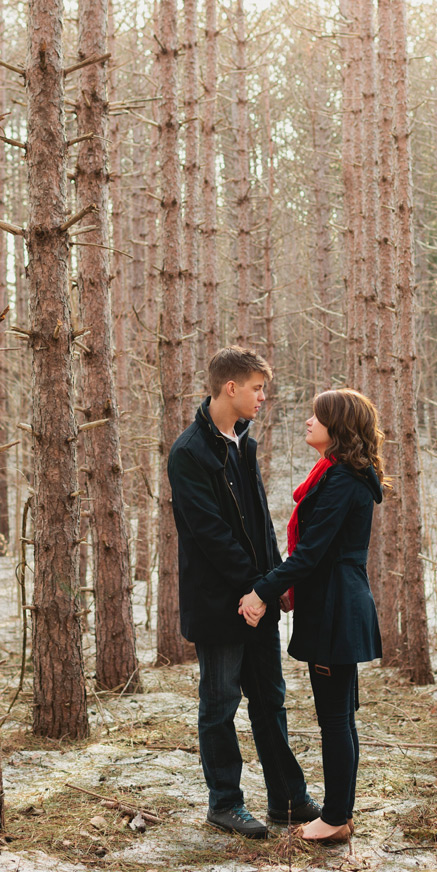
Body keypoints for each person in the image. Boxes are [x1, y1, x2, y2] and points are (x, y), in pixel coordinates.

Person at [167, 346, 319, 839]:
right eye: (256, 388)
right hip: (220, 605)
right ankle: (225, 803)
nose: (262, 397)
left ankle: (288, 800)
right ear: (229, 387)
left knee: (270, 700)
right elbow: (210, 536)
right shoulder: (190, 452)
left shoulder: (243, 444)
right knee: (220, 704)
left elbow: (259, 526)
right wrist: (254, 589)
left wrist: (276, 582)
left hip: (258, 599)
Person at [239, 389, 384, 844]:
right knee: (340, 715)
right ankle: (340, 813)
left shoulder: (342, 480)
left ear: (336, 427)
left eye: (316, 417)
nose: (307, 422)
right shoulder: (338, 474)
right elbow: (314, 554)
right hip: (335, 601)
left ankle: (336, 817)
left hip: (336, 609)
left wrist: (264, 591)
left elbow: (312, 552)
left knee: (336, 719)